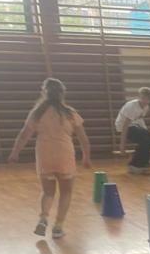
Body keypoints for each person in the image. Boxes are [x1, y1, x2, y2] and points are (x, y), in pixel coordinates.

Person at [7, 78, 91, 239]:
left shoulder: (37, 113)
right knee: (66, 192)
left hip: (44, 155)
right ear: (62, 93)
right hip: (64, 155)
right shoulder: (70, 113)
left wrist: (15, 152)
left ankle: (43, 218)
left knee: (48, 192)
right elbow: (83, 138)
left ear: (44, 93)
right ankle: (58, 227)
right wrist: (86, 156)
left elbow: (24, 135)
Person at [115, 87, 150, 173]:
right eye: (143, 98)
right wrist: (122, 145)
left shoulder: (146, 107)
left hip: (134, 125)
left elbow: (140, 120)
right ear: (139, 97)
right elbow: (125, 126)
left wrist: (147, 132)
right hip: (123, 126)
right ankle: (133, 165)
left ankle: (144, 161)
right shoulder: (131, 106)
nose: (145, 101)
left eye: (147, 99)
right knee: (144, 141)